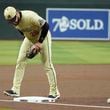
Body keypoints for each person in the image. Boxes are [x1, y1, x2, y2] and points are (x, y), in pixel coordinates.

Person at [3, 6, 60, 99]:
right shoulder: (15, 22)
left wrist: (39, 43)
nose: (13, 21)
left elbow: (46, 26)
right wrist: (32, 47)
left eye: (13, 19)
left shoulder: (29, 16)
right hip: (29, 39)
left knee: (47, 65)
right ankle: (15, 90)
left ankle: (54, 92)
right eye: (10, 21)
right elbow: (23, 33)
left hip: (43, 37)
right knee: (20, 60)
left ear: (17, 13)